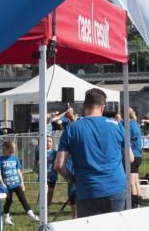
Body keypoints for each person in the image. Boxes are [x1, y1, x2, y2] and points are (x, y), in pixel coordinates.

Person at [55, 88, 131, 217]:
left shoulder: (72, 128)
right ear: (102, 107)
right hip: (115, 187)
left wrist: (72, 179)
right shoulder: (117, 125)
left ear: (84, 106)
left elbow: (58, 165)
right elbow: (130, 158)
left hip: (87, 188)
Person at [0, 139, 38, 224]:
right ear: (4, 150)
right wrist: (2, 184)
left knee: (23, 199)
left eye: (13, 152)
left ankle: (31, 215)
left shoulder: (15, 158)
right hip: (7, 186)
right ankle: (6, 217)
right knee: (9, 201)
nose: (11, 154)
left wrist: (22, 182)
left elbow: (18, 171)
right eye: (10, 152)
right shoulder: (0, 160)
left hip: (17, 183)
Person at [35, 135, 58, 206]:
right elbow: (36, 160)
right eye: (47, 141)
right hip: (43, 174)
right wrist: (35, 168)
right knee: (44, 190)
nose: (48, 143)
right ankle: (40, 205)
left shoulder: (55, 153)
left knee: (51, 191)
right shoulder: (40, 151)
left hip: (52, 175)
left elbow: (57, 162)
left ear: (52, 143)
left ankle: (48, 206)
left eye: (50, 141)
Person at [126, 107, 143, 204]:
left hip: (132, 155)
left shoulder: (127, 125)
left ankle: (134, 202)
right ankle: (139, 200)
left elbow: (126, 139)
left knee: (131, 182)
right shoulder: (136, 124)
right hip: (138, 155)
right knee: (136, 180)